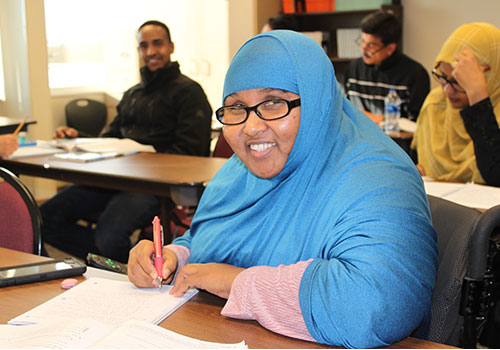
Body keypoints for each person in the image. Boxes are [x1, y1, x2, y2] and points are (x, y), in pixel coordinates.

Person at [128, 30, 438, 348]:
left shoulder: (380, 179)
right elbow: (212, 236)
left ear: (317, 100)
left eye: (274, 103)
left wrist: (237, 282)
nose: (250, 127)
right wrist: (175, 257)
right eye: (235, 107)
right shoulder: (239, 172)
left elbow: (374, 307)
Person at [40, 20, 212, 263]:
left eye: (158, 44)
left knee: (109, 237)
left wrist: (142, 158)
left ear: (171, 47)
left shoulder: (189, 93)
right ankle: (118, 263)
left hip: (156, 187)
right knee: (44, 218)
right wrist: (78, 138)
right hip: (113, 180)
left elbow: (192, 152)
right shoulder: (133, 94)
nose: (151, 51)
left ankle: (120, 261)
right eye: (143, 46)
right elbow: (110, 140)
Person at [412, 23, 500, 187]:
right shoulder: (436, 103)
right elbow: (417, 159)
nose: (447, 91)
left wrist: (478, 97)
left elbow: (495, 175)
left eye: (458, 81)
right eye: (443, 77)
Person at [343, 10, 429, 123]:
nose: (364, 48)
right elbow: (344, 110)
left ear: (390, 49)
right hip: (357, 139)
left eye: (371, 45)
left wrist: (381, 120)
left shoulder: (415, 74)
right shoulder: (353, 69)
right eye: (362, 41)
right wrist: (375, 119)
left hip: (395, 140)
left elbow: (418, 123)